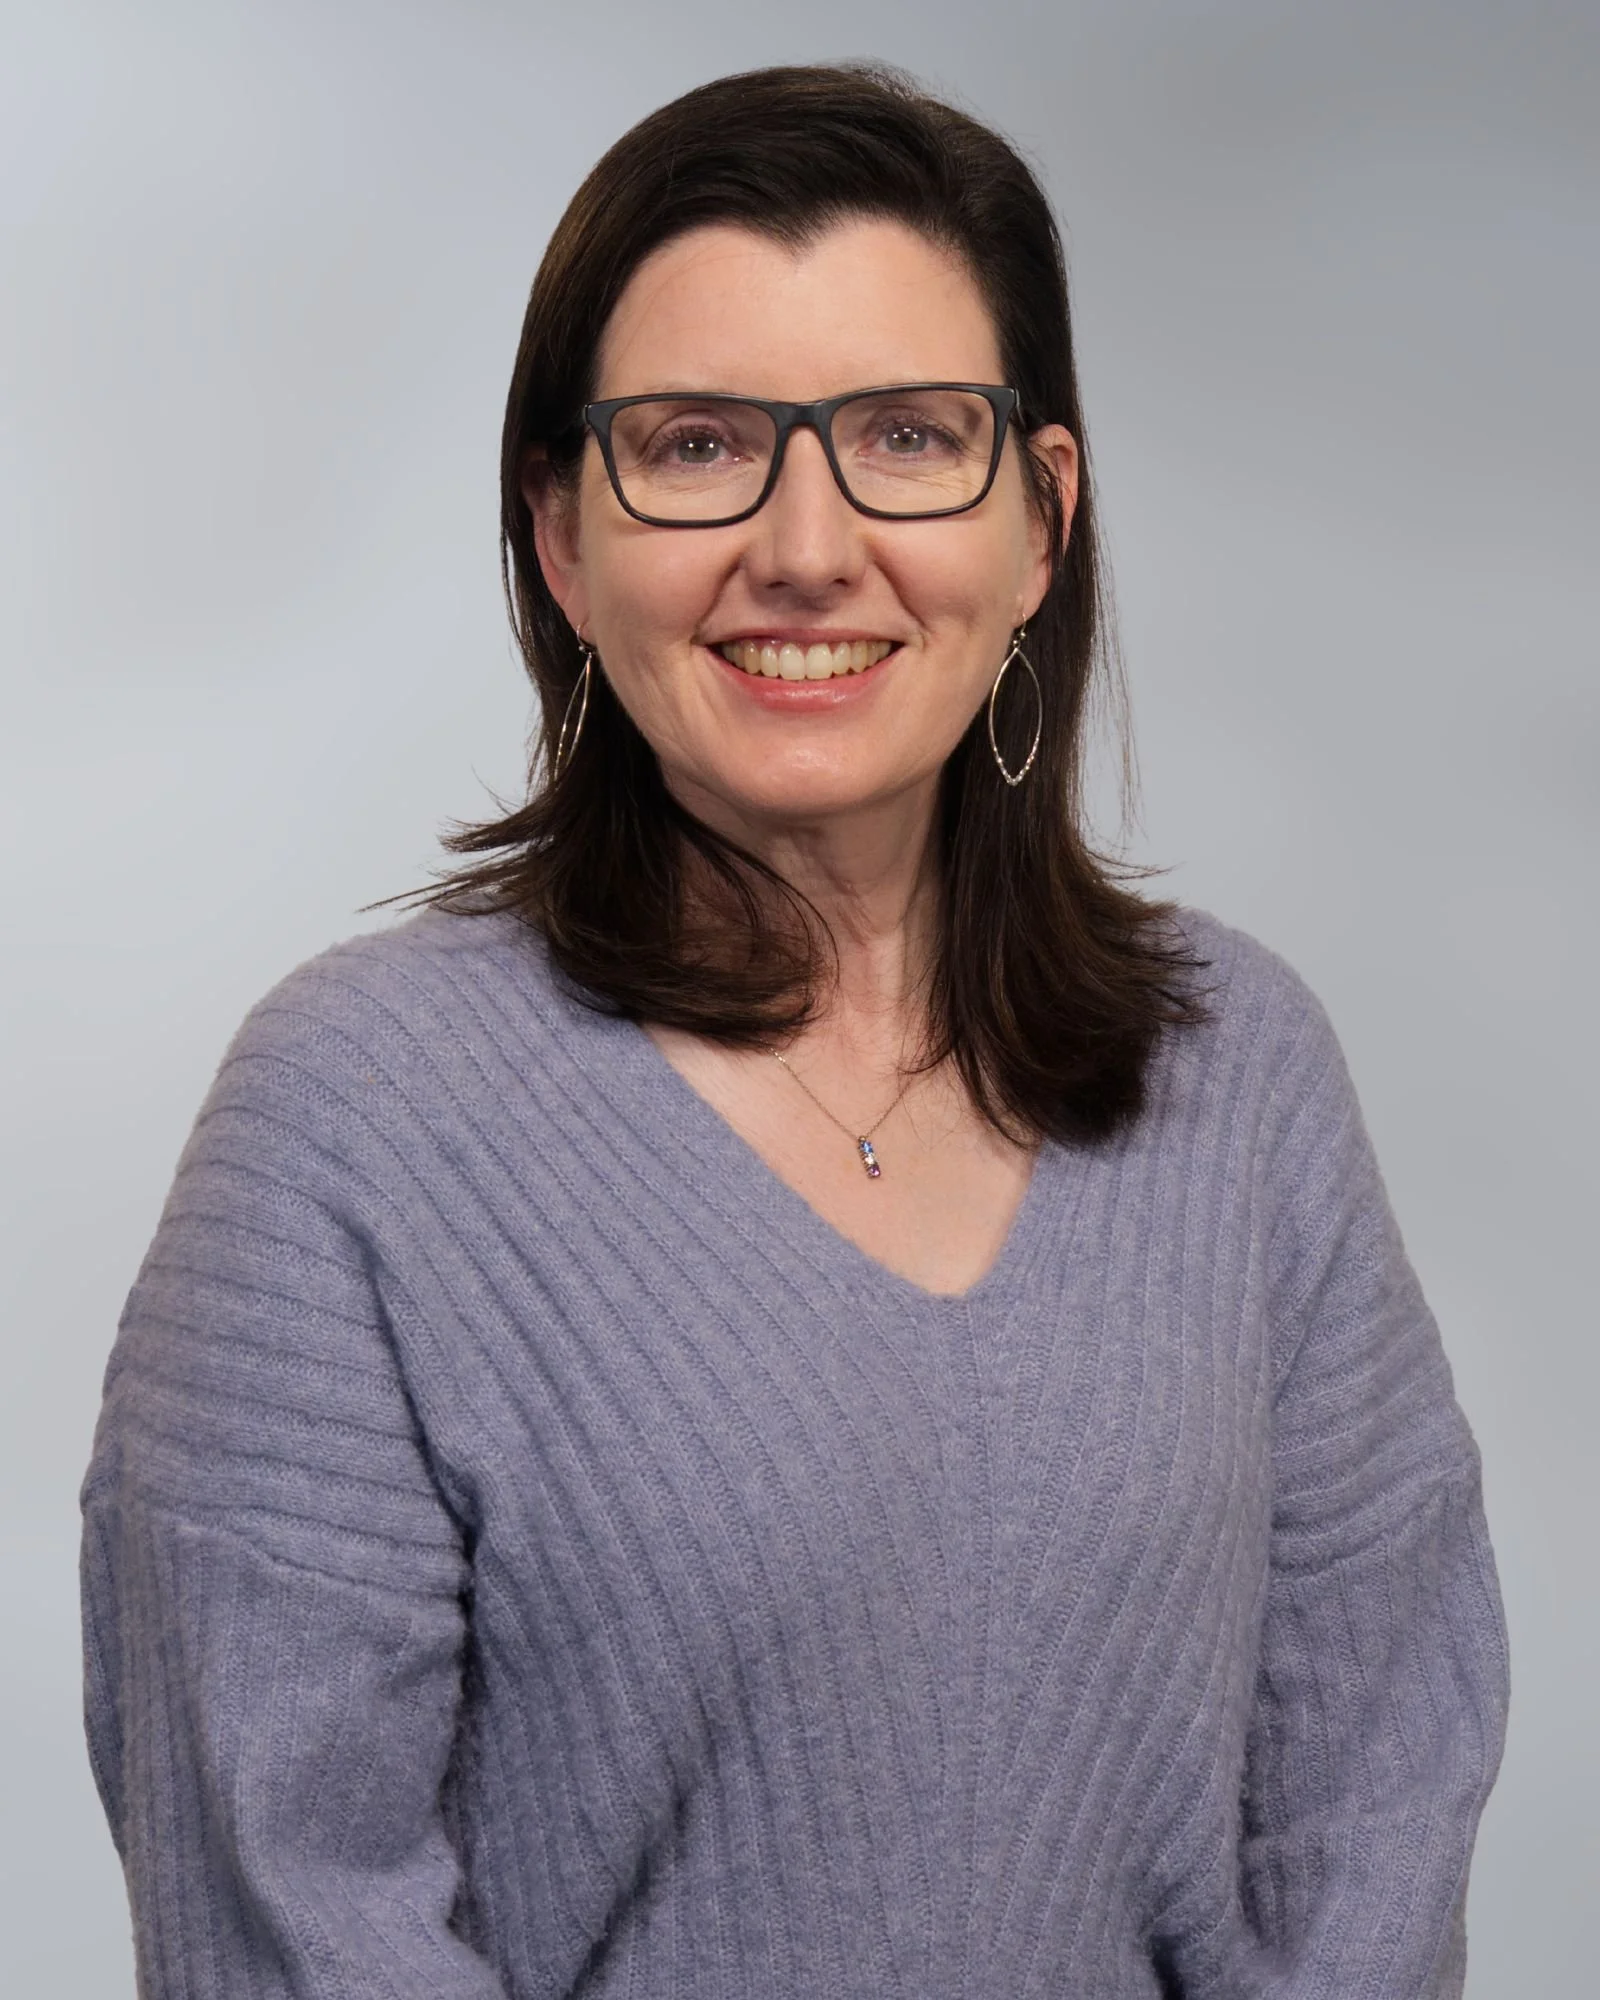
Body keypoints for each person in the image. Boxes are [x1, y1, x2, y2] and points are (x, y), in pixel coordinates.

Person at [79, 61, 1508, 2000]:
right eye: (695, 446)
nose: (808, 545)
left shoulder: (1242, 1074)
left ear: (1041, 520)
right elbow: (288, 1906)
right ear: (563, 537)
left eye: (909, 436)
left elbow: (1371, 1811)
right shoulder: (352, 1122)